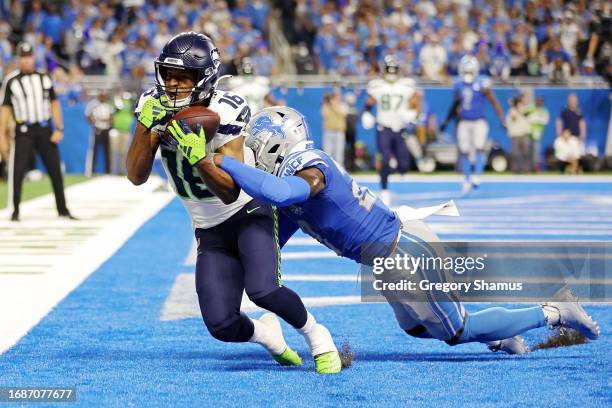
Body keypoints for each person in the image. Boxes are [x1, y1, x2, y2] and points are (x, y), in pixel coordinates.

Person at [170, 105, 599, 356]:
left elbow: (280, 192)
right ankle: (502, 334)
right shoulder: (290, 184)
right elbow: (271, 239)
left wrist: (221, 160)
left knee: (454, 332)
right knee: (414, 328)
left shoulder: (307, 167)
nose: (250, 153)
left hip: (402, 250)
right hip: (386, 256)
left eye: (254, 146)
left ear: (276, 143)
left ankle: (554, 310)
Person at [126, 32, 341, 374]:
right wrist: (144, 126)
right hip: (208, 228)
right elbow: (136, 175)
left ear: (205, 78)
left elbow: (229, 191)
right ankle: (268, 336)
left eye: (183, 77)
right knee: (222, 324)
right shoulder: (153, 102)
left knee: (263, 290)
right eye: (168, 74)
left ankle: (318, 335)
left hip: (247, 212)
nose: (172, 83)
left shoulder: (226, 109)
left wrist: (200, 159)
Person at [0, 42, 75, 221]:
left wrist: (59, 128)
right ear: (19, 59)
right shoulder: (11, 80)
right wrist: (2, 136)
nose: (26, 60)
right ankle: (15, 211)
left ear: (33, 57)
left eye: (28, 56)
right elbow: (5, 110)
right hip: (23, 130)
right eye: (23, 57)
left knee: (55, 170)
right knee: (17, 171)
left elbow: (54, 104)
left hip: (44, 129)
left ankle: (63, 209)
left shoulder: (44, 78)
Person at [440, 55, 505, 195]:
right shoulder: (458, 85)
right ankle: (466, 179)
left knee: (478, 148)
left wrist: (502, 118)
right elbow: (455, 104)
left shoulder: (482, 83)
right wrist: (447, 120)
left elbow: (493, 101)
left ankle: (477, 176)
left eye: (470, 71)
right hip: (463, 121)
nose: (468, 74)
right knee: (464, 151)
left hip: (478, 121)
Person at [362, 55, 416, 205]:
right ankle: (384, 189)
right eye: (389, 70)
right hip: (383, 127)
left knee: (404, 164)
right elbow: (369, 102)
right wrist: (366, 112)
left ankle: (393, 165)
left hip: (400, 128)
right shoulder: (378, 86)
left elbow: (415, 101)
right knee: (384, 160)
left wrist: (414, 113)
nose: (391, 73)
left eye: (393, 70)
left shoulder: (406, 86)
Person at [85, 91, 115, 175]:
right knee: (94, 151)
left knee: (107, 151)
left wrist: (103, 119)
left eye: (104, 96)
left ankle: (108, 171)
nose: (103, 98)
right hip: (97, 129)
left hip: (106, 129)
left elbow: (112, 118)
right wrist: (93, 120)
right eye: (101, 96)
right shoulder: (93, 104)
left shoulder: (109, 105)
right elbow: (87, 116)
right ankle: (92, 170)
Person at [506, 93, 532, 173]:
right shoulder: (512, 110)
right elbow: (512, 118)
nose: (524, 101)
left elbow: (526, 114)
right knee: (516, 153)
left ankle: (526, 169)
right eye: (522, 99)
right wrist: (514, 105)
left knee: (526, 153)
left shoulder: (527, 108)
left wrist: (520, 107)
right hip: (515, 134)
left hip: (525, 133)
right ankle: (515, 169)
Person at [321, 91, 347, 166]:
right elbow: (323, 114)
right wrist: (326, 103)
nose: (337, 98)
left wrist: (334, 105)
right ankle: (328, 170)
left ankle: (339, 171)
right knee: (327, 153)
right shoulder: (327, 106)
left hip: (339, 132)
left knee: (339, 154)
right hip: (329, 131)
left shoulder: (342, 105)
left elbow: (342, 114)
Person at [528, 96, 549, 171]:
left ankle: (535, 168)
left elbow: (545, 121)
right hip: (528, 134)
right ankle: (528, 167)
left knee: (536, 152)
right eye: (538, 101)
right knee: (528, 152)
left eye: (540, 101)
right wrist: (536, 118)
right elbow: (528, 118)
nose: (539, 103)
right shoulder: (531, 108)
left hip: (538, 135)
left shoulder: (544, 111)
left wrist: (536, 118)